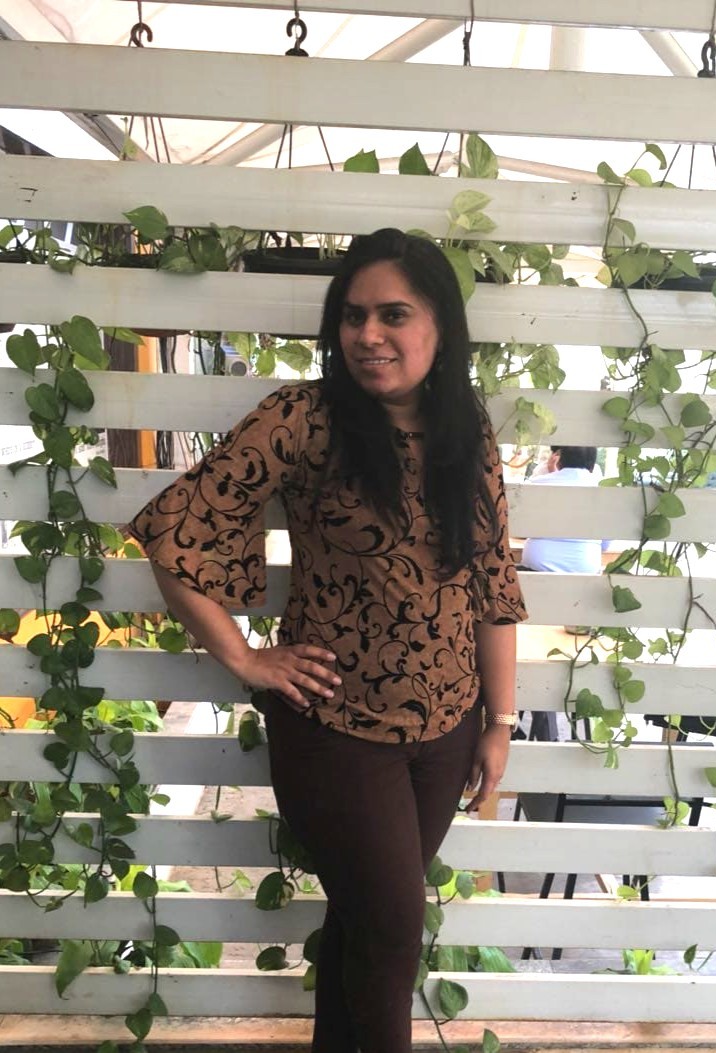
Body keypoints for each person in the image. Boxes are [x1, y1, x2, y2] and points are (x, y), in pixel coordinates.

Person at [128, 228, 527, 1053]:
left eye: (392, 314)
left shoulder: (467, 430)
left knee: (363, 928)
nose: (368, 335)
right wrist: (244, 657)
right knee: (390, 936)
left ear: (440, 327)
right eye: (352, 316)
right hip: (338, 734)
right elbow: (175, 533)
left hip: (445, 732)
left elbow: (492, 581)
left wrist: (498, 721)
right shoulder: (303, 419)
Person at [520, 445, 608, 575]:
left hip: (537, 565)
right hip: (584, 569)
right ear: (593, 466)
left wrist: (553, 474)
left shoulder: (534, 485)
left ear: (559, 460)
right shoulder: (604, 491)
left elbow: (520, 529)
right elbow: (605, 545)